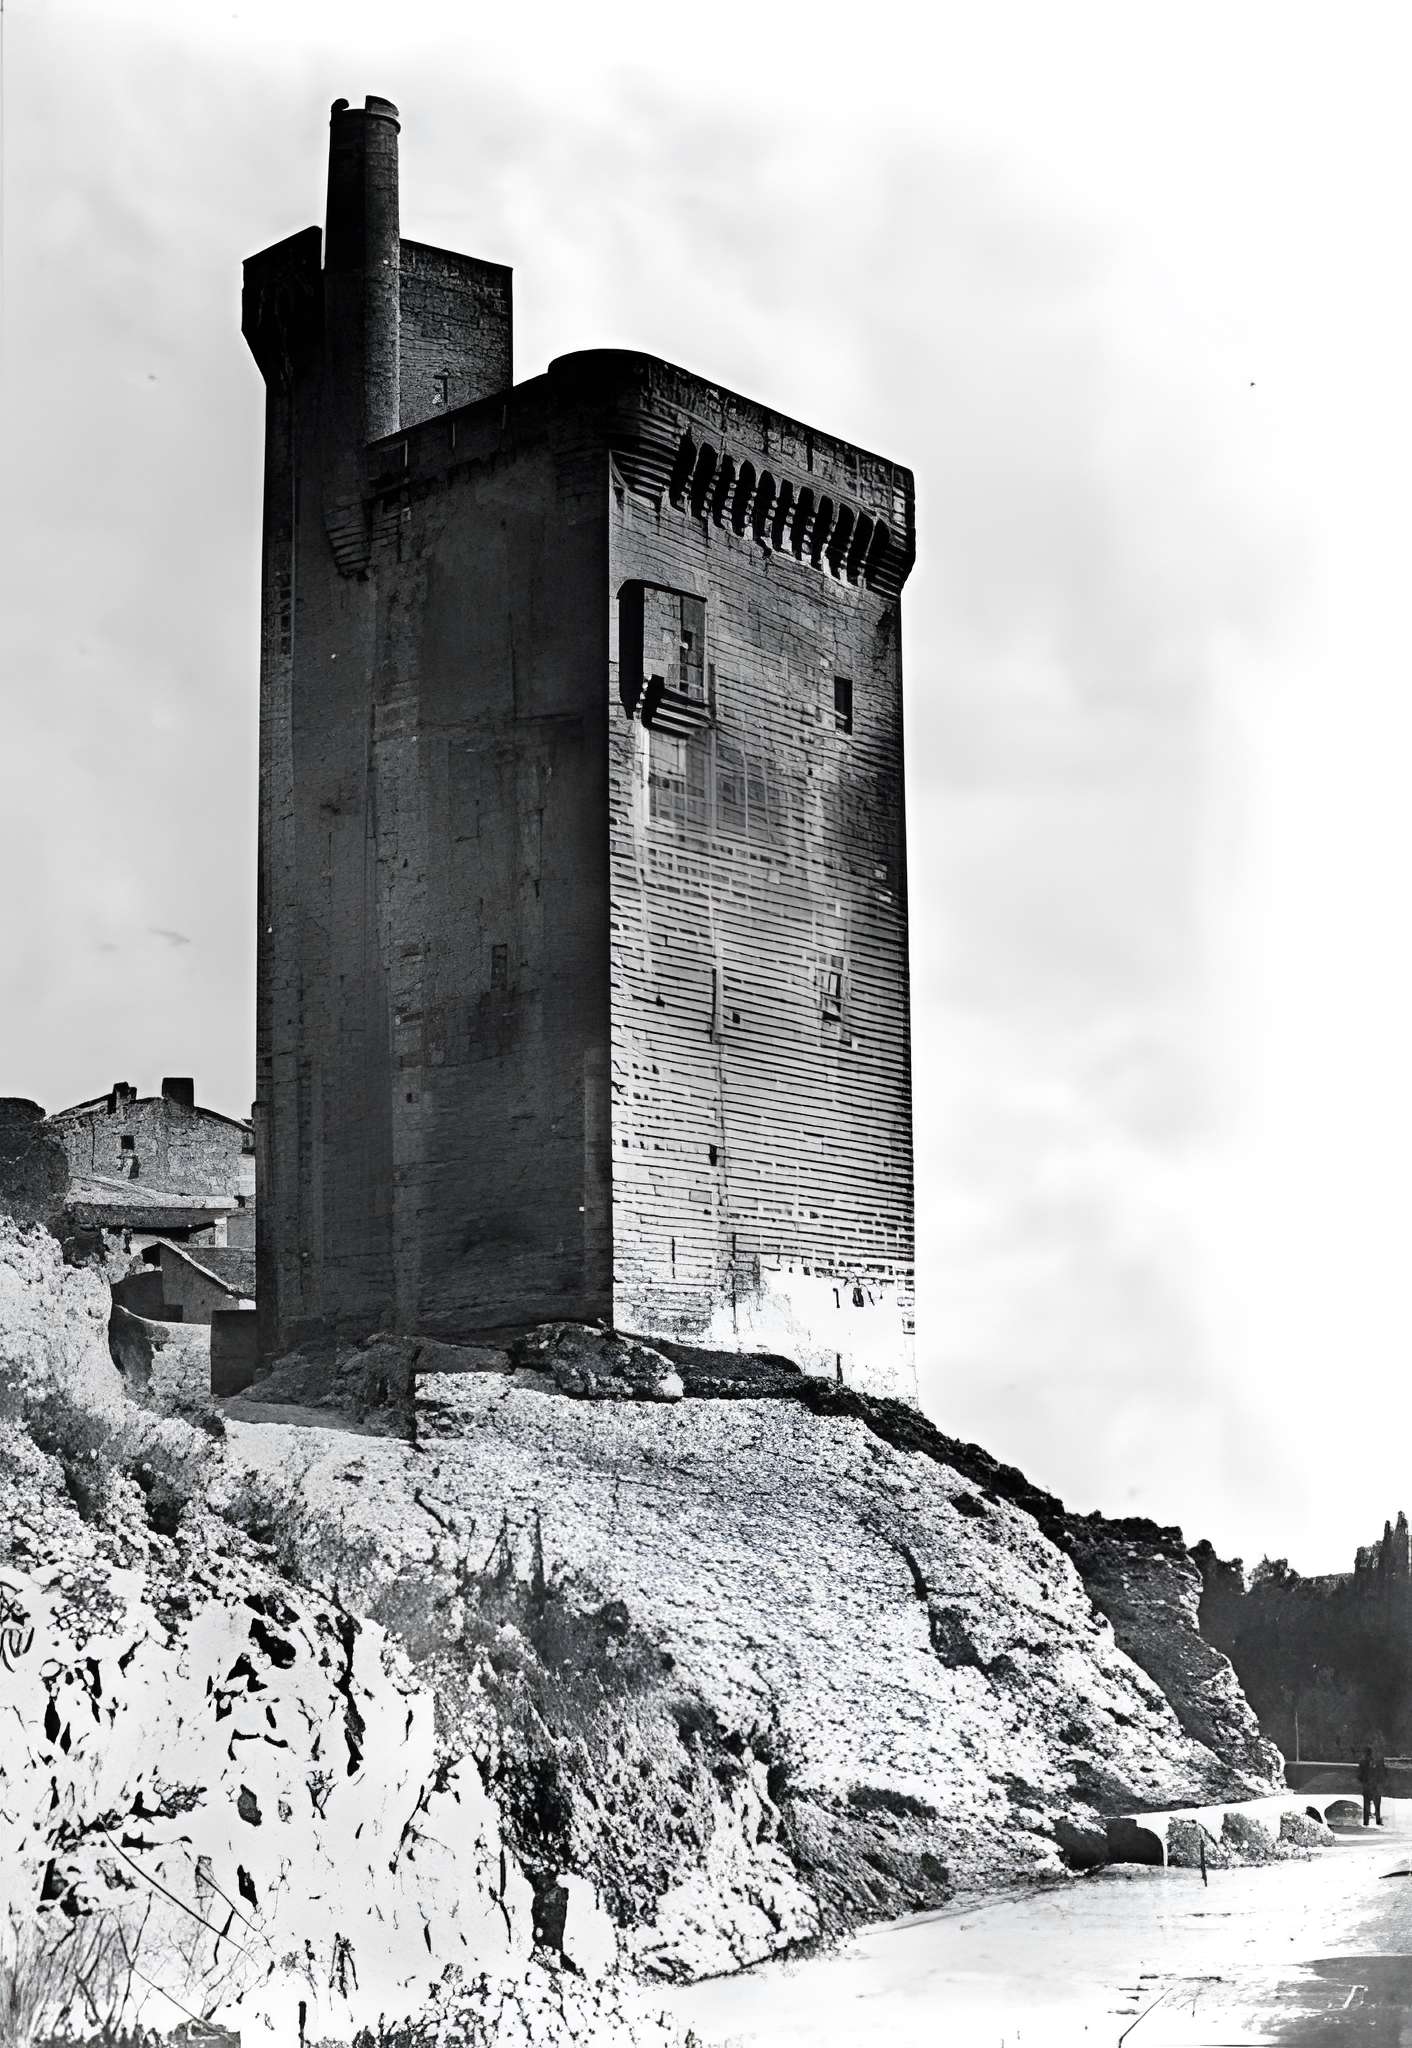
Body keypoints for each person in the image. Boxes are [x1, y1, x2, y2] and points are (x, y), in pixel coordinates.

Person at [1357, 1744, 1388, 1826]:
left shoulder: (1362, 1762)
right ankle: (1378, 1822)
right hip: (1376, 1787)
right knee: (1377, 1807)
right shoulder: (1378, 1761)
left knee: (1366, 1807)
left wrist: (1363, 1781)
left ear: (1365, 1753)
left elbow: (1360, 1775)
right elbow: (1384, 1773)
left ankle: (1366, 1823)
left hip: (1367, 1786)